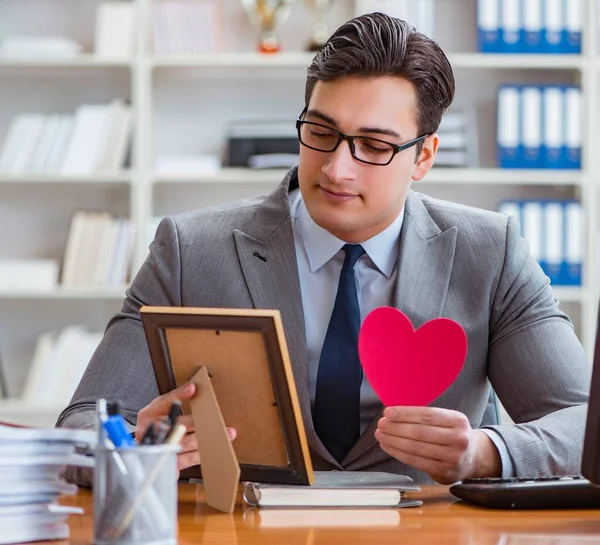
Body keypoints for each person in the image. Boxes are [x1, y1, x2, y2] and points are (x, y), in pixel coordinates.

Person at [57, 12, 590, 487]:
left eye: (375, 146)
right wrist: (129, 448)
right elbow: (80, 426)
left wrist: (483, 452)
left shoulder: (490, 253)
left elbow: (583, 424)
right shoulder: (189, 250)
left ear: (424, 156)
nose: (337, 169)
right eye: (321, 132)